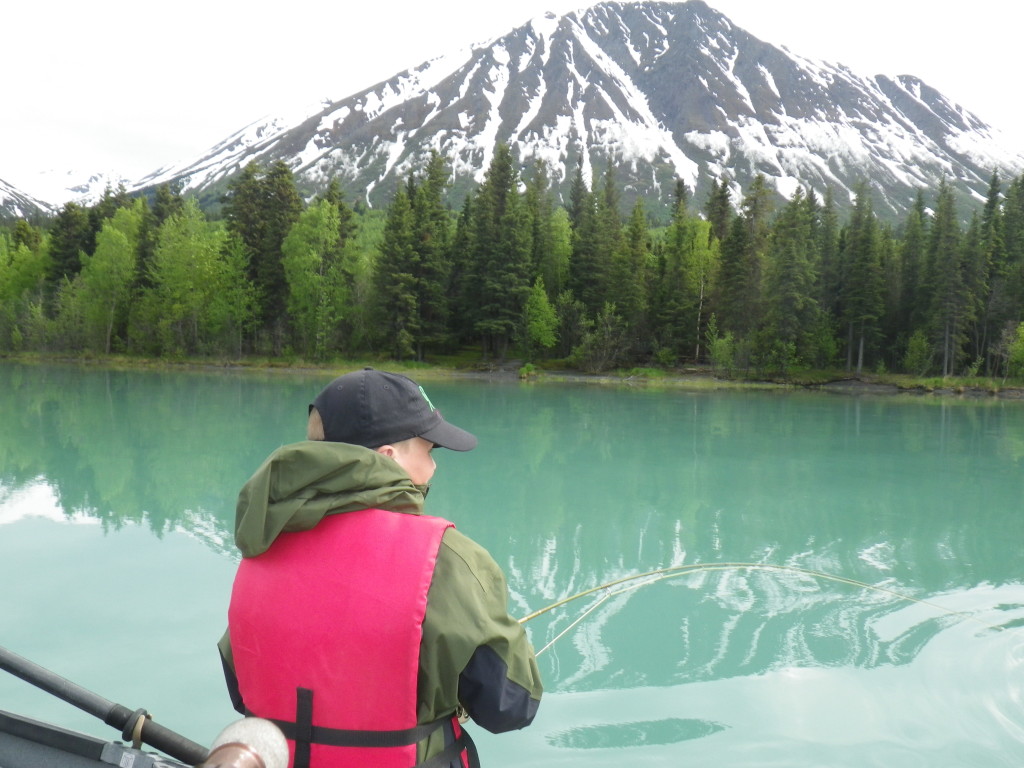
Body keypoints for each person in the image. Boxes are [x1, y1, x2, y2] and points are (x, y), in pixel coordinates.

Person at [218, 368, 542, 768]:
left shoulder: (260, 547)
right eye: (428, 450)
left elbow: (242, 692)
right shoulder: (448, 559)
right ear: (388, 458)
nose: (434, 467)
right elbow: (510, 705)